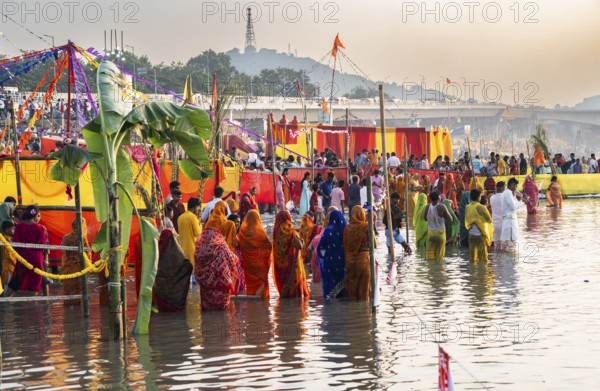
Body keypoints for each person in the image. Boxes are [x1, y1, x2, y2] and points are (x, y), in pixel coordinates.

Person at [6, 205, 48, 296]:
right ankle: (24, 296)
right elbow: (42, 245)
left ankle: (6, 299)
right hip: (36, 259)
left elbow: (16, 244)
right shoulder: (41, 228)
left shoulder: (19, 226)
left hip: (23, 258)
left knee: (16, 280)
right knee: (34, 286)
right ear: (35, 215)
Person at [195, 228, 240, 311]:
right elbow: (233, 260)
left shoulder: (199, 250)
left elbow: (197, 269)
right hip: (223, 286)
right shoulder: (222, 246)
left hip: (206, 287)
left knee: (206, 314)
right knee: (223, 313)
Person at [153, 227, 193, 312]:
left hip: (160, 294)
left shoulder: (157, 250)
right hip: (175, 297)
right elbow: (187, 266)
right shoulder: (176, 252)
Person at [272, 210, 309, 298]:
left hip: (280, 265)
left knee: (284, 284)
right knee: (295, 290)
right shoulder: (289, 228)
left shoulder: (276, 230)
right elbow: (299, 245)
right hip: (292, 262)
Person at [238, 210, 272, 299]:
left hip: (249, 265)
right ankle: (261, 300)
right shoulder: (261, 234)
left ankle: (252, 298)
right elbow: (269, 247)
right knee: (261, 282)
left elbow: (241, 246)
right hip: (260, 265)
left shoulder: (243, 233)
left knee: (251, 284)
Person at [60, 218, 91, 305]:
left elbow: (62, 251)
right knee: (78, 292)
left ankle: (68, 312)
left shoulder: (66, 238)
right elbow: (87, 254)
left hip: (67, 267)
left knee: (68, 291)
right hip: (79, 268)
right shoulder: (82, 239)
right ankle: (77, 312)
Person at [317, 210, 347, 298]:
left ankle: (330, 298)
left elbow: (320, 247)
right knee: (342, 286)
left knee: (330, 287)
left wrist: (325, 256)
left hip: (330, 262)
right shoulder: (345, 229)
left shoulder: (327, 231)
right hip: (342, 262)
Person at [343, 206, 371, 300]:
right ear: (362, 214)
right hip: (364, 259)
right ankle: (364, 312)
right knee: (364, 294)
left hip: (350, 262)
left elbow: (345, 246)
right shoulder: (366, 226)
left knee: (353, 294)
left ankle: (355, 313)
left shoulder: (347, 228)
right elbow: (374, 245)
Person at [465, 189, 493, 262]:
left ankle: (473, 271)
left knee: (472, 257)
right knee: (482, 258)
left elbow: (467, 219)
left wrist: (476, 220)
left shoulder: (467, 207)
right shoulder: (481, 207)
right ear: (478, 197)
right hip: (479, 234)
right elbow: (489, 220)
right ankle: (482, 271)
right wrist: (479, 220)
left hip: (471, 234)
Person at [423, 191, 453, 261]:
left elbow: (425, 218)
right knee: (439, 259)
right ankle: (439, 271)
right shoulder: (442, 207)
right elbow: (451, 219)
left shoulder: (427, 207)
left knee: (430, 259)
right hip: (440, 235)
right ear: (439, 197)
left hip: (430, 234)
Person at [177, 197, 202, 271]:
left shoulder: (180, 217)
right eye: (198, 207)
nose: (198, 209)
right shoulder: (193, 217)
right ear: (195, 207)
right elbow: (198, 233)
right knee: (192, 271)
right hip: (192, 248)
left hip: (182, 249)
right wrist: (200, 226)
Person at [501, 178, 526, 251]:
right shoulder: (508, 193)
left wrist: (517, 196)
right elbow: (514, 207)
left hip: (510, 221)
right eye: (516, 186)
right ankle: (510, 261)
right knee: (511, 247)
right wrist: (523, 202)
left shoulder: (508, 193)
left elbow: (514, 204)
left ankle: (509, 261)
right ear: (512, 186)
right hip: (510, 222)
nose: (516, 188)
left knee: (510, 246)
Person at [1, 220, 16, 292]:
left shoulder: (9, 239)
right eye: (13, 229)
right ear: (7, 230)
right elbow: (8, 255)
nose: (14, 230)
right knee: (7, 286)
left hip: (10, 267)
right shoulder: (6, 239)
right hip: (8, 267)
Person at [490, 181, 505, 250]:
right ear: (502, 188)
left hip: (494, 224)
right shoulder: (505, 197)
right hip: (503, 224)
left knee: (496, 245)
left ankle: (497, 260)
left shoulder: (491, 198)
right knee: (504, 245)